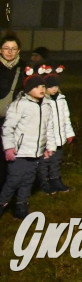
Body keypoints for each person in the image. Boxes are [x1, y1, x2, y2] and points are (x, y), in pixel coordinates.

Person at [1, 68, 55, 219]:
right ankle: (2, 202)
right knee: (14, 180)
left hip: (35, 152)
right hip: (19, 152)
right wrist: (9, 147)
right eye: (37, 87)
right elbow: (8, 127)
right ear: (28, 89)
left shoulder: (46, 106)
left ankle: (21, 206)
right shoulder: (20, 105)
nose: (41, 89)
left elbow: (49, 128)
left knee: (28, 180)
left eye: (43, 86)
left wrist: (49, 147)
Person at [39, 64, 74, 194]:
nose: (54, 89)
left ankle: (56, 180)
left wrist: (69, 133)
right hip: (47, 140)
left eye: (56, 86)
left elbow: (66, 118)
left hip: (59, 138)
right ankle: (44, 182)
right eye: (50, 87)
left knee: (56, 161)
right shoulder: (43, 102)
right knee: (44, 162)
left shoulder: (61, 100)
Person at [0, 33, 25, 188]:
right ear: (0, 50)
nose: (10, 52)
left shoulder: (24, 68)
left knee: (12, 154)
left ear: (18, 51)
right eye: (6, 48)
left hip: (14, 119)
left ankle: (9, 188)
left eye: (13, 49)